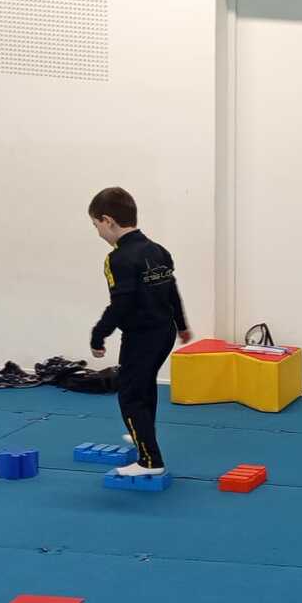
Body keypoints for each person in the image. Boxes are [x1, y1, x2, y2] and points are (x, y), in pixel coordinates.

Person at [87, 187, 191, 477]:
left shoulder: (117, 259)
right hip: (164, 332)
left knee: (131, 395)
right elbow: (171, 291)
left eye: (96, 225)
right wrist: (182, 325)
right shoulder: (158, 250)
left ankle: (149, 460)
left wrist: (98, 335)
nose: (97, 232)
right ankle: (143, 437)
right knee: (144, 388)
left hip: (142, 337)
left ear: (108, 221)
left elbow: (121, 304)